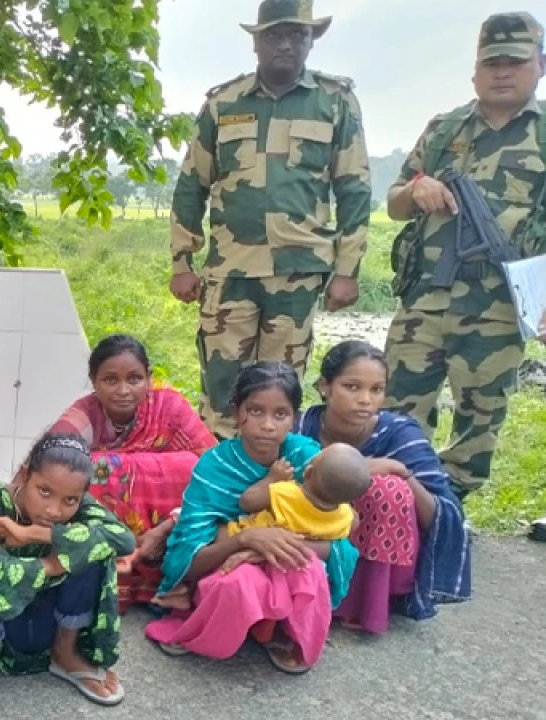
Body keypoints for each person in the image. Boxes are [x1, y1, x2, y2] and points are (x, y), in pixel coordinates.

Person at [167, 0, 371, 439]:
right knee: (222, 388)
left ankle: (274, 489)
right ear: (256, 42)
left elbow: (353, 189)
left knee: (280, 388)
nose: (285, 44)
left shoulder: (334, 102)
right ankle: (218, 484)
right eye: (275, 35)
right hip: (231, 270)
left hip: (298, 274)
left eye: (297, 35)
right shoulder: (223, 103)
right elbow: (191, 185)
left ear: (311, 40)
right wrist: (182, 261)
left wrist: (347, 271)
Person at [383, 12, 545, 501]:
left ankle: (446, 514)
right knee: (394, 411)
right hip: (426, 298)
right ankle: (395, 506)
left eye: (514, 62)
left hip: (498, 306)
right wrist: (418, 186)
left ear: (538, 65)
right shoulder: (444, 129)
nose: (501, 72)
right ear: (474, 71)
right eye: (491, 62)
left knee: (480, 420)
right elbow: (393, 202)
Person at [145, 362, 359, 675]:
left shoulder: (307, 459)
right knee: (240, 582)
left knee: (308, 570)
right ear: (236, 412)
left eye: (280, 414)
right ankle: (208, 627)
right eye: (256, 411)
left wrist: (270, 549)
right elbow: (188, 559)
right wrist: (246, 540)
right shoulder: (214, 467)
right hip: (229, 560)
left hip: (290, 555)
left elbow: (341, 534)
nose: (268, 425)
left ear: (294, 418)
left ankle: (285, 634)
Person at [0, 433, 133, 707]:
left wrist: (32, 534)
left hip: (53, 619)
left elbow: (124, 540)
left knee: (94, 551)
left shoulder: (79, 508)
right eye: (44, 491)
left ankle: (64, 653)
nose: (54, 510)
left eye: (70, 500)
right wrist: (50, 566)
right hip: (2, 619)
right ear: (23, 476)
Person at [298, 340, 472, 633]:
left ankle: (367, 603)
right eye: (352, 387)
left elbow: (445, 514)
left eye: (376, 390)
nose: (365, 399)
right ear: (324, 386)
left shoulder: (399, 434)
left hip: (388, 558)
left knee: (385, 489)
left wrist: (401, 473)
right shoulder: (299, 427)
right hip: (311, 538)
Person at [48, 335, 217, 611]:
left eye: (134, 379)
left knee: (195, 468)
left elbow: (214, 468)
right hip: (110, 530)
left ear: (149, 379)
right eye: (111, 380)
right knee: (85, 470)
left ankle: (168, 576)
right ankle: (110, 572)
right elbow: (49, 459)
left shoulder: (169, 407)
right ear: (94, 381)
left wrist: (166, 526)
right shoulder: (85, 414)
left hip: (172, 524)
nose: (123, 390)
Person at [223, 442, 372, 542]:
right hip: (304, 566)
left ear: (307, 472)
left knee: (220, 530)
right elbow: (354, 522)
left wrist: (272, 478)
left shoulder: (287, 493)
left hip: (259, 544)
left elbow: (247, 501)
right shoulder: (346, 517)